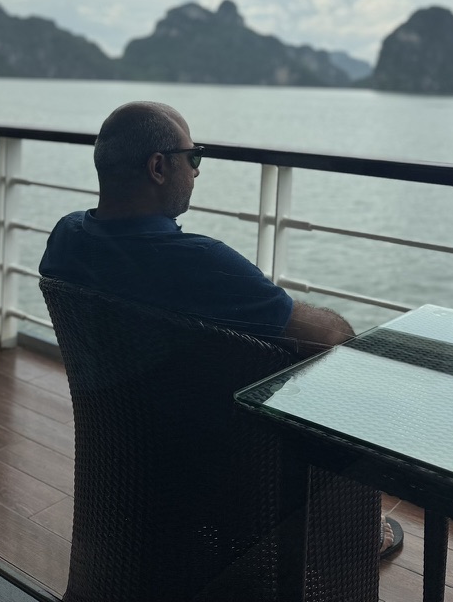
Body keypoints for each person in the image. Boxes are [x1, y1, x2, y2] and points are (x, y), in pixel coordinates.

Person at [39, 100, 403, 558]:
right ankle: (350, 527)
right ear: (158, 167)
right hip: (224, 474)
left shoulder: (66, 238)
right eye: (193, 158)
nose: (196, 172)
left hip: (124, 459)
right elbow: (329, 340)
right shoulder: (201, 264)